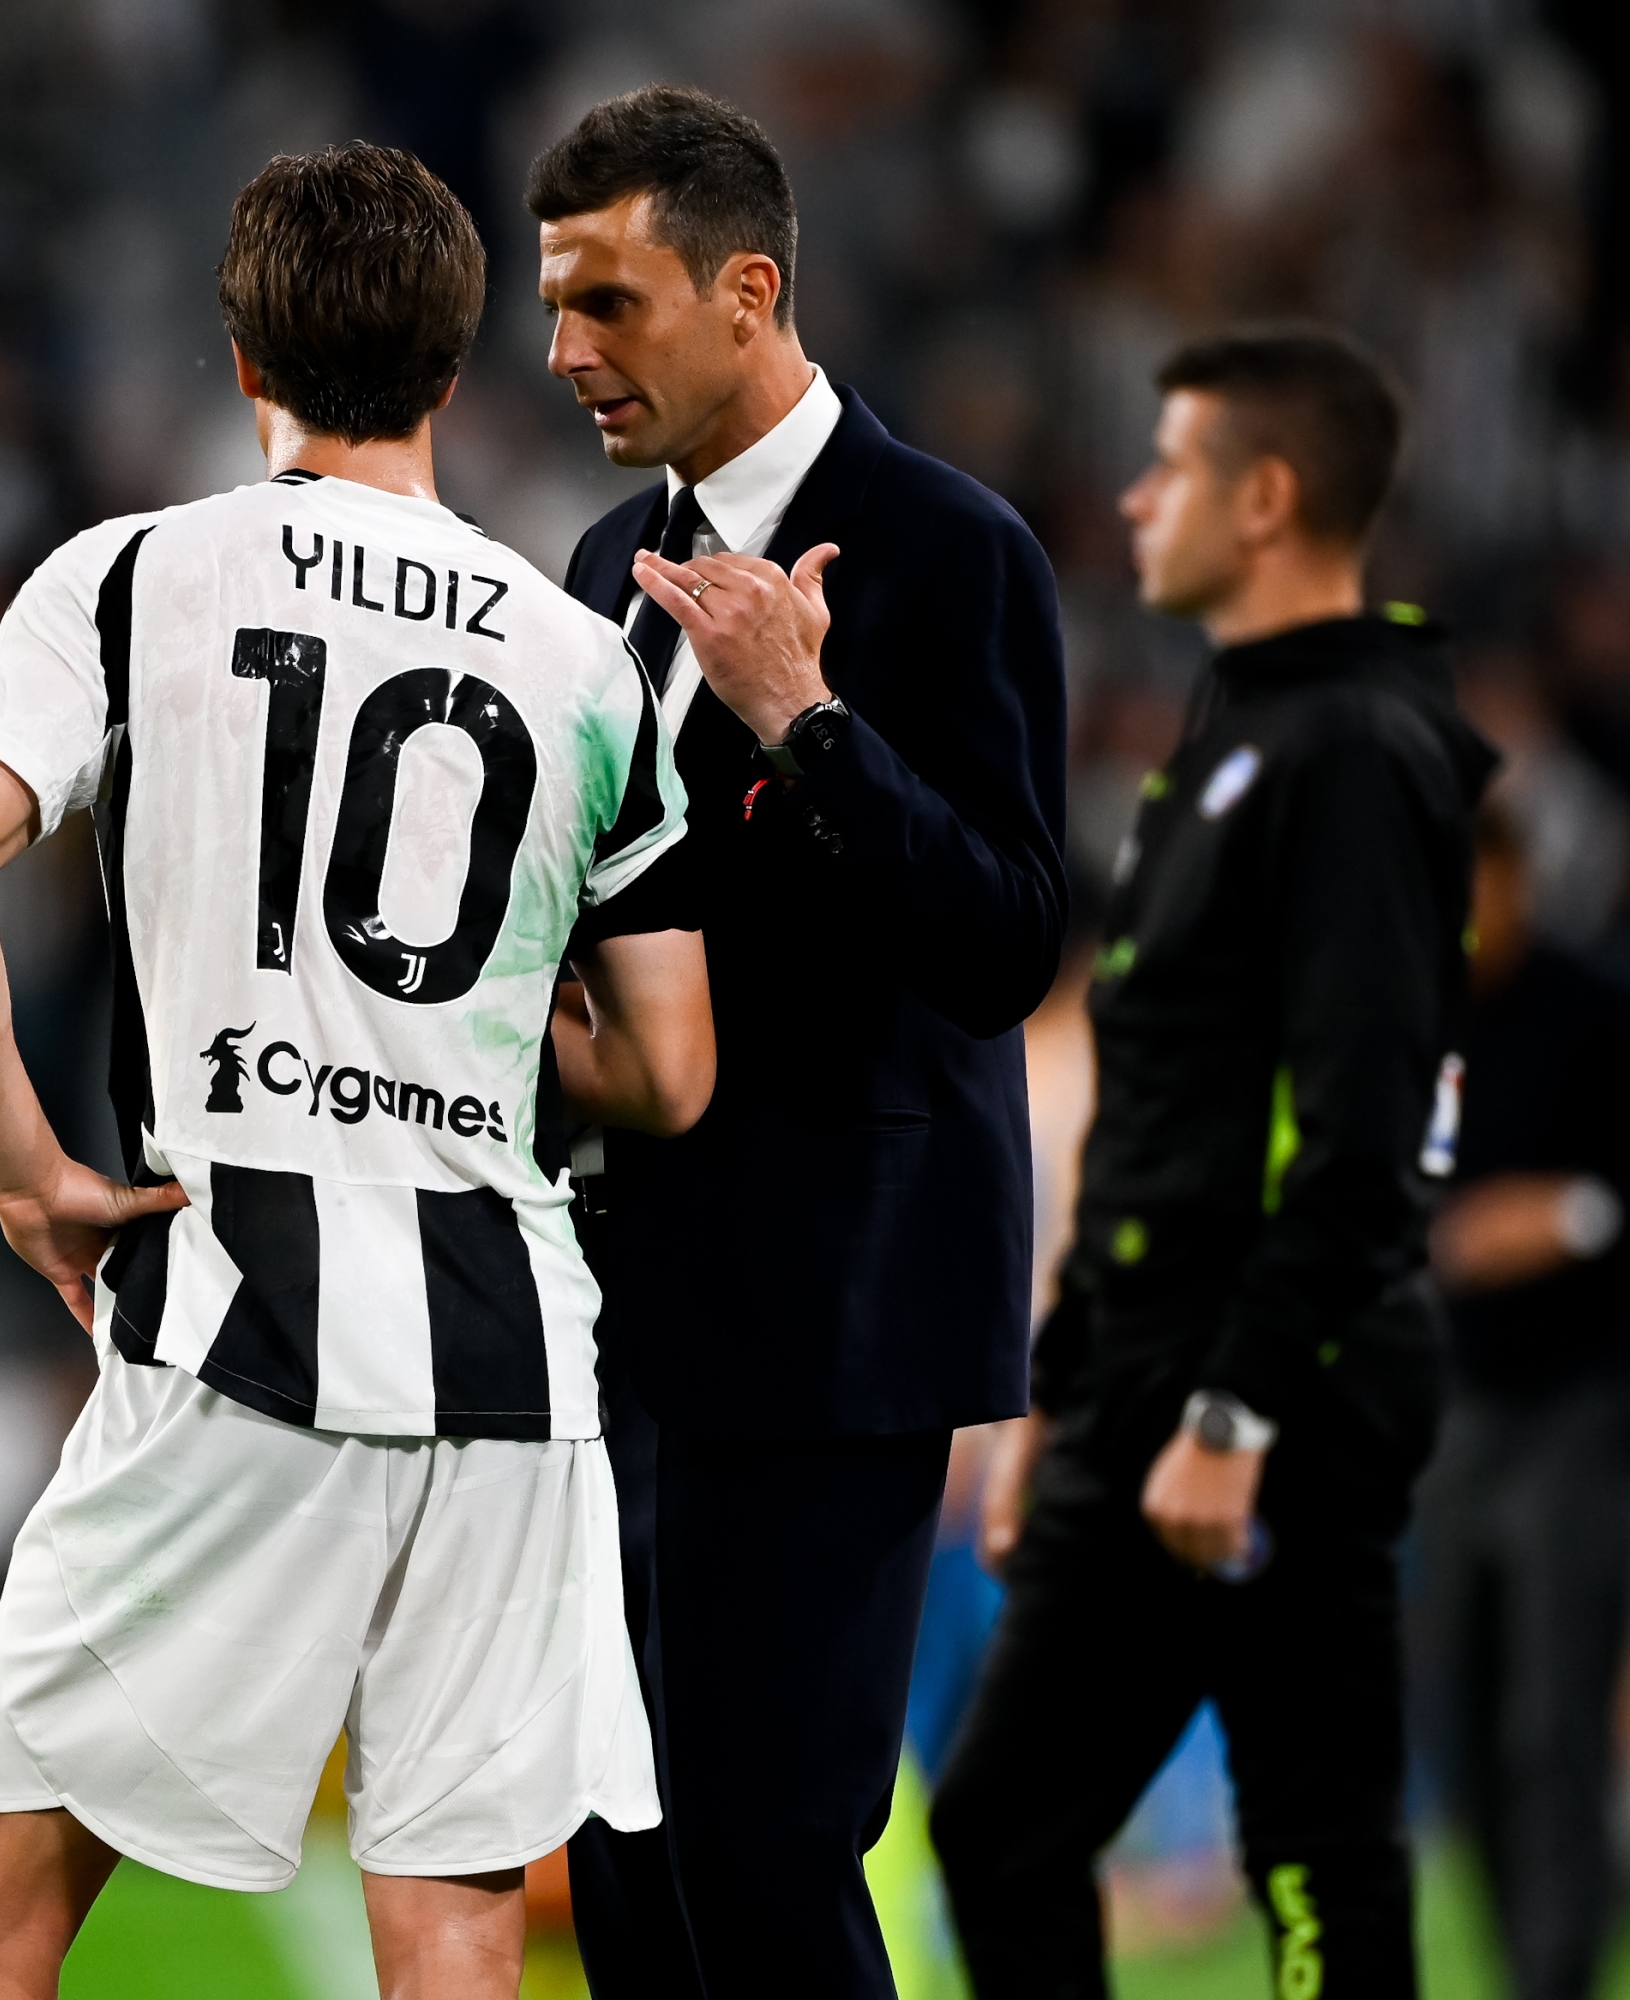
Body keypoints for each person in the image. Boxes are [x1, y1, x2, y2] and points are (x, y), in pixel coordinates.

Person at [0, 143, 714, 2000]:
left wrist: (28, 1176)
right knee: (458, 1926)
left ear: (241, 357)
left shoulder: (131, 582)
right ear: (453, 368)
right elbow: (670, 1069)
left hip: (236, 1317)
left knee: (2, 1893)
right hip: (507, 1359)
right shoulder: (586, 668)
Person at [526, 86, 1071, 1998]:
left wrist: (809, 725)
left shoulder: (950, 549)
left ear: (746, 290)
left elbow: (1008, 940)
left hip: (838, 1314)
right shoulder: (603, 567)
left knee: (766, 1856)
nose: (564, 350)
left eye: (609, 303)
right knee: (621, 1857)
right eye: (554, 304)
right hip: (626, 1305)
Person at [932, 325, 1497, 2000]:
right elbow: (1163, 1120)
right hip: (1145, 1382)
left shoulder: (1359, 754)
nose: (1133, 495)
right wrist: (1056, 1390)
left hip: (1268, 1397)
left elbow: (1374, 1141)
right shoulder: (1239, 734)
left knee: (1311, 1855)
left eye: (1169, 465)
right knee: (1007, 1827)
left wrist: (1235, 1418)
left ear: (1264, 499)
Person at [1409, 801, 1630, 2000]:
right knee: (1467, 1711)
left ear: (1516, 875)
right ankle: (1521, 1960)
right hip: (1455, 1412)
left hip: (1583, 1410)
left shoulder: (1607, 1006)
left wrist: (1571, 1214)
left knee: (1559, 1714)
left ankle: (1560, 1976)